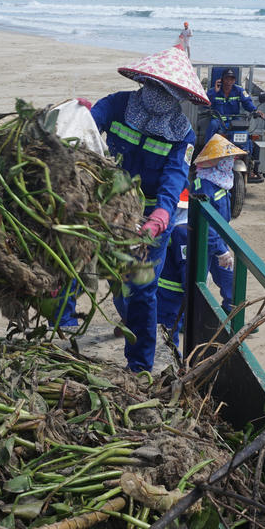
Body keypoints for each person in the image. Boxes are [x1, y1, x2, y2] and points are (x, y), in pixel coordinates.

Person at [88, 46, 205, 373]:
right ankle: (128, 317)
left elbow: (174, 175)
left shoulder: (183, 134)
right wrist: (82, 120)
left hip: (151, 219)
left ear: (178, 97)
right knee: (116, 277)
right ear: (145, 82)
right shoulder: (119, 105)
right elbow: (90, 125)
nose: (158, 98)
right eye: (155, 89)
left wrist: (161, 214)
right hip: (110, 210)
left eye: (167, 94)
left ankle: (139, 364)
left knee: (142, 290)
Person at [191, 134, 247, 310]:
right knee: (197, 280)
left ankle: (232, 312)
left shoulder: (222, 181)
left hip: (218, 240)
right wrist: (221, 250)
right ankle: (189, 319)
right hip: (205, 241)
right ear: (214, 161)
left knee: (228, 278)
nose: (230, 162)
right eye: (227, 158)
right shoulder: (203, 185)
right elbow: (204, 221)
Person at [207, 68, 265, 179]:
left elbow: (247, 103)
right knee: (212, 125)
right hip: (219, 121)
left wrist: (255, 111)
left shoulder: (238, 90)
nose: (229, 81)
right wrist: (214, 91)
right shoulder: (214, 90)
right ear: (222, 79)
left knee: (246, 135)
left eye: (232, 79)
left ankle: (249, 164)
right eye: (227, 79)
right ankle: (207, 156)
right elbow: (207, 102)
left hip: (234, 121)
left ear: (234, 80)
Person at [156, 191, 190, 350]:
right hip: (170, 293)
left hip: (168, 293)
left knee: (168, 328)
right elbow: (185, 267)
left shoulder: (177, 229)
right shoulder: (181, 230)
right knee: (169, 329)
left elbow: (184, 267)